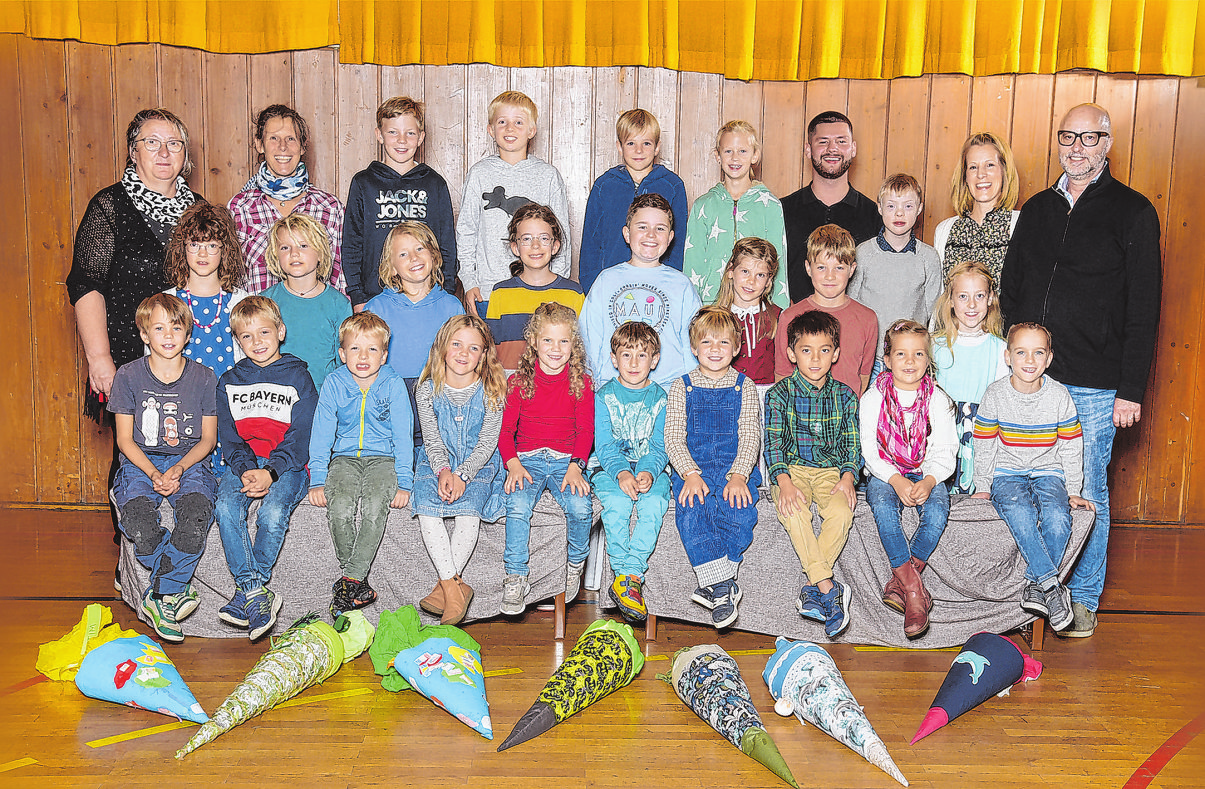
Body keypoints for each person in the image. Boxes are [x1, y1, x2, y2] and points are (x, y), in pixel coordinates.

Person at [1000, 102, 1162, 638]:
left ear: (1107, 144)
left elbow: (1144, 307)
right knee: (1022, 484)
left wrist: (1130, 389)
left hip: (1095, 384)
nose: (1076, 148)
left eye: (1089, 139)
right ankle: (1034, 593)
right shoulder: (1038, 209)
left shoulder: (1133, 211)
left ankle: (1083, 598)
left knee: (1085, 488)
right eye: (1067, 137)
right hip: (1030, 377)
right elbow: (1013, 283)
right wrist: (1014, 358)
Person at [69, 108, 200, 424]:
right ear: (133, 151)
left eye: (174, 143)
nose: (164, 152)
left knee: (193, 460)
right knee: (132, 462)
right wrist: (99, 359)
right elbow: (86, 284)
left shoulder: (198, 210)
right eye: (152, 142)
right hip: (127, 359)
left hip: (190, 357)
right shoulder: (110, 207)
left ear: (185, 154)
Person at [108, 293, 218, 643]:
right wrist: (154, 473)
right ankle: (172, 589)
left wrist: (180, 469)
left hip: (190, 460)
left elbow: (208, 439)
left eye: (176, 327)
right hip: (141, 461)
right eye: (158, 327)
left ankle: (159, 595)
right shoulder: (127, 376)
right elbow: (125, 440)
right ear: (144, 334)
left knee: (197, 514)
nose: (168, 334)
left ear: (188, 335)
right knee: (138, 519)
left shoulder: (204, 377)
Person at [972, 322, 1093, 632]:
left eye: (1038, 353)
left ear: (1049, 358)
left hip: (1047, 469)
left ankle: (1035, 585)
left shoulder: (1059, 395)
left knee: (1057, 518)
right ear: (1007, 356)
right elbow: (984, 444)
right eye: (1021, 352)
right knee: (1020, 513)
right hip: (1007, 471)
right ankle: (1052, 587)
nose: (1029, 360)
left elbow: (1070, 446)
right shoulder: (996, 393)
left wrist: (1074, 490)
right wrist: (983, 486)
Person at [214, 297, 318, 641]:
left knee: (272, 513)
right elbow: (229, 438)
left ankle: (245, 594)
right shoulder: (229, 381)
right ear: (237, 341)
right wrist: (245, 469)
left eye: (264, 332)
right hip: (242, 463)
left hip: (287, 465)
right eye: (246, 336)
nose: (257, 342)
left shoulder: (298, 376)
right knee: (226, 506)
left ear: (280, 331)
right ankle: (257, 592)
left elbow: (302, 435)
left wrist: (271, 472)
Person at [307, 312, 413, 620]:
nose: (363, 356)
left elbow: (403, 435)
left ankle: (349, 579)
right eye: (355, 349)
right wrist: (317, 477)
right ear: (342, 354)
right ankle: (358, 582)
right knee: (339, 506)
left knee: (375, 504)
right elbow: (322, 431)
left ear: (384, 354)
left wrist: (404, 480)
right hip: (344, 458)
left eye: (372, 349)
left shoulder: (392, 384)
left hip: (384, 459)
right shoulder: (334, 382)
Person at [765, 310, 861, 639]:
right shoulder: (779, 395)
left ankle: (812, 587)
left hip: (831, 471)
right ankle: (827, 586)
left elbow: (851, 445)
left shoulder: (846, 397)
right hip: (790, 470)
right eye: (806, 350)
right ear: (792, 353)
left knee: (841, 511)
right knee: (795, 512)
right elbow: (773, 444)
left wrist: (848, 477)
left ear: (835, 353)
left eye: (824, 350)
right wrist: (785, 483)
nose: (815, 358)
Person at [666, 306, 762, 630]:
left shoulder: (744, 386)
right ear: (694, 347)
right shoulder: (682, 386)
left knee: (741, 512)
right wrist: (690, 474)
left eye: (723, 343)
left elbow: (750, 435)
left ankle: (717, 585)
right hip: (693, 468)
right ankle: (725, 587)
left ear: (736, 347)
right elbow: (674, 438)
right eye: (707, 343)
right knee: (693, 510)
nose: (715, 350)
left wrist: (739, 476)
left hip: (734, 467)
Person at [860, 319, 956, 639]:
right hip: (885, 470)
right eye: (901, 354)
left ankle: (899, 582)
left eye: (918, 354)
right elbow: (871, 453)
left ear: (928, 360)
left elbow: (944, 449)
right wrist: (896, 481)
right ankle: (915, 591)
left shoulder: (937, 400)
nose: (910, 362)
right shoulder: (872, 399)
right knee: (884, 511)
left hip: (927, 470)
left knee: (938, 512)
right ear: (887, 361)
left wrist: (928, 481)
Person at [411, 315, 508, 625]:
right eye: (456, 344)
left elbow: (488, 442)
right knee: (427, 510)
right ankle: (455, 588)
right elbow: (432, 438)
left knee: (468, 514)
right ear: (442, 347)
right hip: (436, 459)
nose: (464, 353)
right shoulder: (426, 389)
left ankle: (445, 589)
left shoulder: (491, 390)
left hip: (478, 463)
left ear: (484, 355)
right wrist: (442, 471)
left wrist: (464, 474)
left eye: (474, 348)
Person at [498, 303, 594, 617]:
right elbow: (506, 431)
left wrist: (577, 465)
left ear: (573, 345)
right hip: (527, 458)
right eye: (548, 341)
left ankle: (575, 564)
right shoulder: (518, 382)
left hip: (566, 459)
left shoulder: (582, 382)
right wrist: (512, 462)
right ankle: (516, 577)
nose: (556, 348)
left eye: (563, 341)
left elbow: (586, 430)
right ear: (535, 343)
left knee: (581, 507)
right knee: (518, 504)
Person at [458, 91, 571, 318]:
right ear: (491, 130)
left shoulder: (547, 176)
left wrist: (557, 285)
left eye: (518, 122)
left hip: (541, 291)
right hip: (489, 291)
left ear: (531, 130)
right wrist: (469, 281)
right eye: (502, 122)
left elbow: (562, 236)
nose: (510, 128)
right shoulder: (479, 174)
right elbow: (466, 231)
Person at [343, 97, 457, 308]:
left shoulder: (434, 184)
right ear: (379, 135)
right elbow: (351, 244)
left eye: (410, 133)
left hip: (427, 297)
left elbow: (447, 244)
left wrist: (446, 291)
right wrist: (358, 296)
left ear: (421, 137)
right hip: (375, 297)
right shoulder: (363, 183)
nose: (402, 140)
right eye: (393, 132)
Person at [162, 201, 251, 472]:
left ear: (225, 252)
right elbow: (151, 366)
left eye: (212, 245)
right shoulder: (166, 301)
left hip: (228, 411)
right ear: (182, 248)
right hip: (180, 410)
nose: (203, 253)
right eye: (195, 244)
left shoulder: (240, 301)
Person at [591, 321, 670, 624]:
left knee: (653, 503)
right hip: (610, 468)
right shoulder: (604, 396)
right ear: (614, 359)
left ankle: (628, 575)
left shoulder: (661, 398)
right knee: (617, 504)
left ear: (655, 359)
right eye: (626, 355)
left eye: (642, 355)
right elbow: (605, 445)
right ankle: (627, 579)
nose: (634, 363)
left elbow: (661, 446)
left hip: (651, 466)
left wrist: (649, 471)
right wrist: (622, 473)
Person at [363, 221, 465, 448]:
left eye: (420, 249)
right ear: (391, 267)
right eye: (403, 254)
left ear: (434, 256)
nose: (414, 257)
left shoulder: (452, 307)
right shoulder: (376, 309)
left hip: (438, 397)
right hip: (390, 401)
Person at [581, 194, 700, 387]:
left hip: (667, 391)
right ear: (627, 234)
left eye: (660, 228)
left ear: (670, 237)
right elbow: (589, 338)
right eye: (642, 227)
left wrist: (689, 388)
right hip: (613, 390)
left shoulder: (682, 285)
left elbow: (693, 342)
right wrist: (595, 385)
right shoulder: (606, 280)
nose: (651, 235)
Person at [227, 104, 346, 295]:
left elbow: (340, 278)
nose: (283, 146)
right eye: (274, 138)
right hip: (257, 321)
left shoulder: (330, 208)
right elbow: (230, 278)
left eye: (291, 138)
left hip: (316, 321)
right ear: (260, 144)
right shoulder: (240, 207)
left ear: (302, 145)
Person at [579, 108, 689, 292]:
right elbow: (591, 243)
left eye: (646, 143)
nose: (639, 150)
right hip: (611, 287)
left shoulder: (673, 186)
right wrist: (593, 288)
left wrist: (671, 287)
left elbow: (677, 244)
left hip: (658, 288)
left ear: (657, 147)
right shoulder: (604, 186)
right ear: (619, 146)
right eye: (631, 143)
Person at [682, 120, 789, 307]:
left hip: (757, 305)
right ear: (718, 156)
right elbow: (693, 264)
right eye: (728, 151)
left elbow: (779, 262)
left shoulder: (770, 206)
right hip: (712, 306)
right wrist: (692, 311)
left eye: (742, 151)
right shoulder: (703, 205)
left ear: (755, 156)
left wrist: (779, 310)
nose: (735, 158)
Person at [780, 111, 882, 301]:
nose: (832, 149)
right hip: (794, 326)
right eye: (823, 141)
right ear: (808, 149)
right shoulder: (781, 211)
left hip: (857, 327)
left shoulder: (875, 216)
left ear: (853, 149)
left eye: (841, 141)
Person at [849, 173, 943, 378]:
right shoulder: (863, 254)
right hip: (870, 358)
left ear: (919, 209)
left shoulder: (928, 258)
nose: (899, 213)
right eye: (891, 206)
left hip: (911, 359)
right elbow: (852, 306)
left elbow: (934, 314)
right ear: (880, 208)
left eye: (908, 206)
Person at [931, 261, 1009, 494]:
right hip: (941, 440)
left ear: (990, 299)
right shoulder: (934, 346)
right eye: (963, 296)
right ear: (951, 301)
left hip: (982, 441)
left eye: (979, 296)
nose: (972, 305)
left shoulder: (1000, 350)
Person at [774, 225, 878, 394]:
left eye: (839, 268)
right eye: (821, 267)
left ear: (852, 269)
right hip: (801, 415)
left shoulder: (868, 319)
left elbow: (863, 376)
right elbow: (782, 375)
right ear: (808, 268)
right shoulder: (789, 317)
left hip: (845, 416)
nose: (830, 276)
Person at [485, 204, 584, 369]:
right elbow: (491, 352)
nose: (536, 245)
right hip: (510, 388)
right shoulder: (500, 293)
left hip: (560, 389)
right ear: (515, 247)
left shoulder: (573, 293)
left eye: (544, 238)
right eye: (527, 239)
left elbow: (581, 350)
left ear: (555, 246)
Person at [262, 214, 353, 391]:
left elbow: (345, 361)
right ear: (275, 255)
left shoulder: (339, 304)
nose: (294, 253)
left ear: (320, 253)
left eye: (303, 246)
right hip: (275, 398)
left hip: (323, 399)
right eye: (285, 247)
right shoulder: (265, 301)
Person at [931, 131, 1021, 282]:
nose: (981, 174)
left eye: (990, 165)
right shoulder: (944, 231)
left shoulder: (1022, 225)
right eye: (973, 167)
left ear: (1004, 172)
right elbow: (941, 297)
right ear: (964, 176)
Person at [713, 237, 781, 385]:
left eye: (760, 275)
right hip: (727, 395)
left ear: (769, 280)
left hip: (766, 398)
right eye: (745, 271)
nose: (751, 281)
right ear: (731, 271)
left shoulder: (778, 317)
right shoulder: (714, 318)